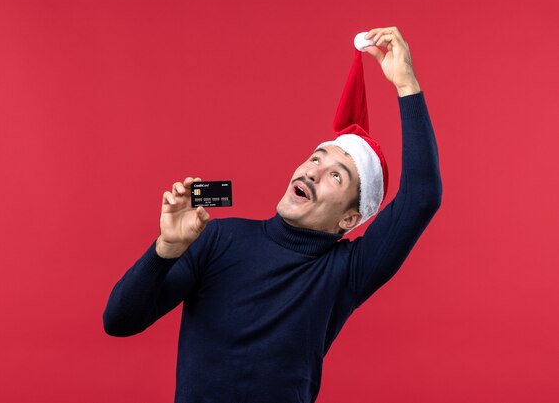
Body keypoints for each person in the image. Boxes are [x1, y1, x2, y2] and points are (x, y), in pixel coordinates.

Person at [103, 27, 442, 403]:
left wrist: (406, 84)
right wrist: (166, 248)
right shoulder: (217, 238)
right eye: (316, 157)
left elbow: (422, 196)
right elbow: (120, 322)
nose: (312, 171)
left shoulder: (345, 271)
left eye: (335, 175)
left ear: (348, 219)